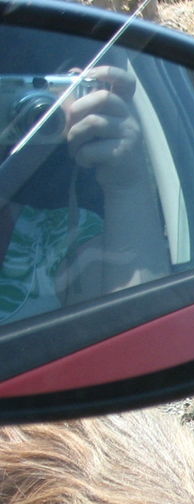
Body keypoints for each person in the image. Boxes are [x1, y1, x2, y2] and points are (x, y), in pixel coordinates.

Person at [1, 63, 170, 324]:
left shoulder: (60, 237)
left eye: (45, 110)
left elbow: (137, 335)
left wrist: (126, 185)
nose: (33, 119)